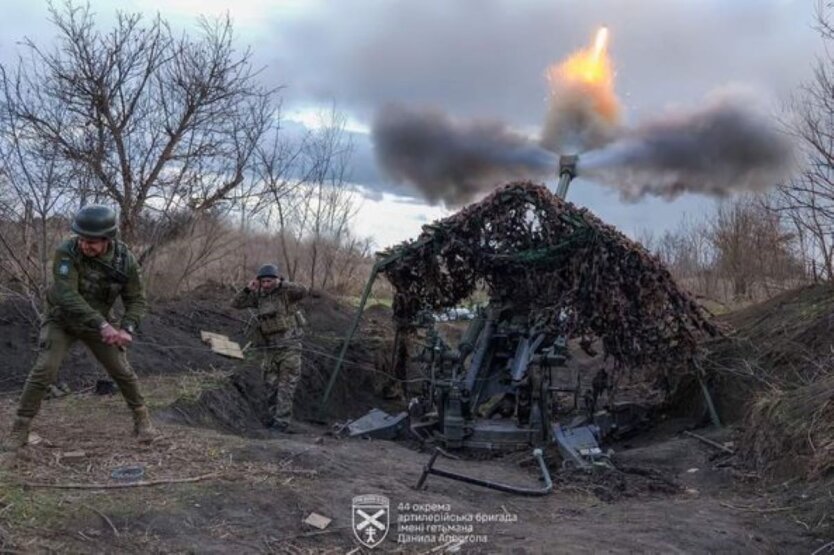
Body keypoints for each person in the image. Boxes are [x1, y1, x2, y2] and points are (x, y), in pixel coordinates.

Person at [1, 205, 156, 452]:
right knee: (44, 369)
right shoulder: (67, 252)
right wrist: (103, 324)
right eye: (82, 239)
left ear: (107, 239)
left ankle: (141, 418)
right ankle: (20, 426)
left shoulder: (125, 261)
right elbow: (65, 295)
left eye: (92, 242)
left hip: (97, 324)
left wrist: (127, 327)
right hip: (62, 320)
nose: (85, 246)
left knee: (121, 370)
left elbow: (137, 300)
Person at [231, 263, 308, 431]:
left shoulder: (287, 293)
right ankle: (273, 418)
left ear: (276, 280)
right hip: (270, 349)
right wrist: (247, 289)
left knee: (286, 386)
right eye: (263, 281)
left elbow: (303, 290)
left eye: (270, 281)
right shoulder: (259, 296)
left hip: (290, 347)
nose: (266, 285)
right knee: (270, 385)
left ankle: (282, 422)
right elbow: (236, 304)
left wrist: (283, 284)